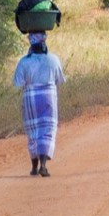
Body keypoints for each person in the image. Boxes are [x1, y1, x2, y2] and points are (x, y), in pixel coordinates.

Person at [13, 31, 66, 177]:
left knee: (33, 131)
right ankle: (43, 165)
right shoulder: (53, 60)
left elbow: (18, 83)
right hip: (49, 96)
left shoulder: (24, 62)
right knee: (48, 129)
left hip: (30, 98)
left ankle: (34, 167)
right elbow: (60, 79)